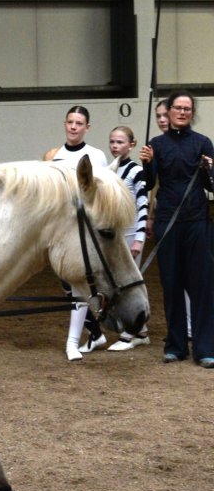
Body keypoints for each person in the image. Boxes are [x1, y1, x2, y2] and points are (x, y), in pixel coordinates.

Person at [139, 90, 214, 367]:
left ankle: (205, 348)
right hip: (168, 222)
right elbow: (148, 183)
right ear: (168, 111)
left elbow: (211, 186)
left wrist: (211, 170)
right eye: (178, 108)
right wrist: (146, 163)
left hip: (197, 222)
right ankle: (175, 345)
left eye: (187, 109)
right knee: (171, 284)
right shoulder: (156, 144)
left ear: (192, 113)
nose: (182, 112)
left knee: (202, 285)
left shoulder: (203, 143)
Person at [43, 105, 108, 361]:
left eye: (79, 123)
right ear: (65, 124)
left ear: (87, 128)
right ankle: (96, 332)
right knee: (68, 287)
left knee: (77, 283)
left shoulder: (96, 156)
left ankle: (72, 342)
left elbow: (99, 193)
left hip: (83, 230)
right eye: (70, 122)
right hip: (59, 227)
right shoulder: (52, 155)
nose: (73, 127)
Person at [147, 99, 192, 339]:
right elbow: (153, 186)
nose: (162, 120)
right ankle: (180, 327)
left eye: (166, 114)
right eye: (159, 116)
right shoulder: (156, 146)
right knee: (171, 275)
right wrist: (152, 216)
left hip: (189, 216)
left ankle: (191, 325)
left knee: (191, 274)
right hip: (166, 214)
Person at [105, 125, 150, 351]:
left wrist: (139, 239)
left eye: (120, 142)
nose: (115, 146)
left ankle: (129, 333)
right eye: (112, 142)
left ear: (131, 145)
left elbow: (143, 205)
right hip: (117, 237)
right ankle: (141, 332)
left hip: (132, 235)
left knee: (130, 282)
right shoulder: (108, 170)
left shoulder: (136, 171)